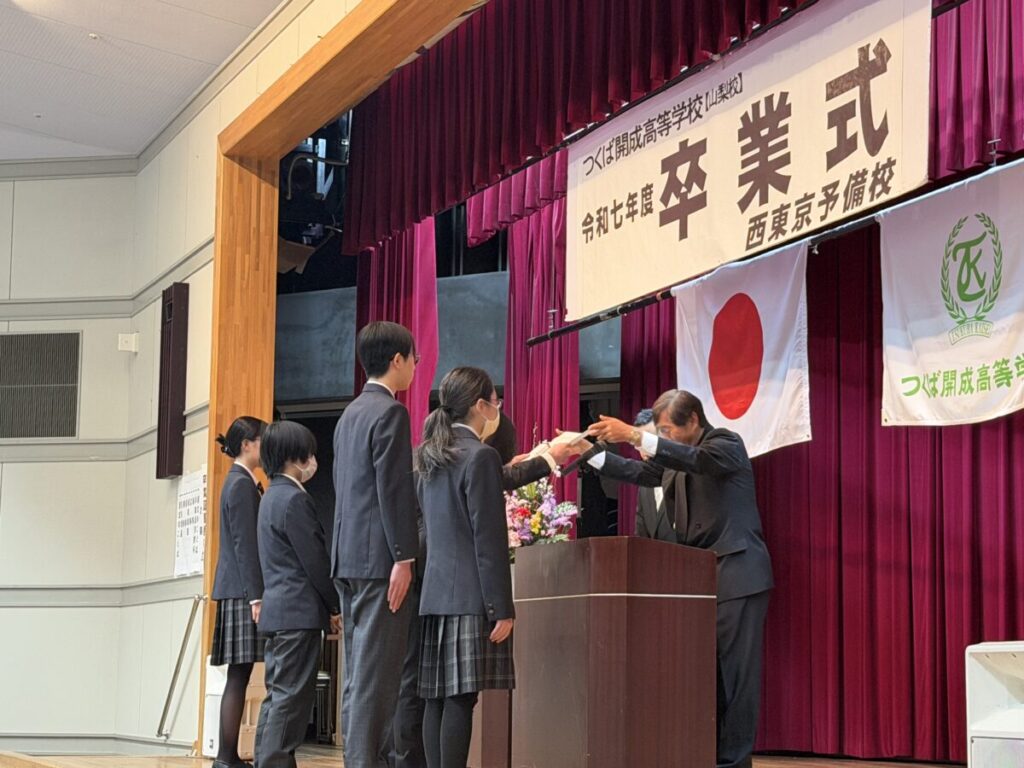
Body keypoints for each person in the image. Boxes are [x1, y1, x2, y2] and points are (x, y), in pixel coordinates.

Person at [586, 390, 773, 768]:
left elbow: (697, 460)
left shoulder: (724, 444)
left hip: (737, 575)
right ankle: (706, 755)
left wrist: (635, 435)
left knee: (736, 679)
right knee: (705, 676)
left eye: (669, 430)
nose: (664, 438)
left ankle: (733, 762)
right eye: (660, 432)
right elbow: (639, 472)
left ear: (694, 421)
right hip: (698, 581)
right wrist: (585, 452)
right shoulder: (676, 457)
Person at [414, 367, 515, 768]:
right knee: (460, 697)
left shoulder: (429, 454)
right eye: (495, 401)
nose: (497, 408)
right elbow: (488, 538)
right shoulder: (481, 456)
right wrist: (501, 606)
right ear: (479, 405)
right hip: (471, 596)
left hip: (434, 594)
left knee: (436, 696)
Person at [332, 321, 421, 768]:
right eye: (414, 358)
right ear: (397, 360)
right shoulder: (391, 413)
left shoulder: (349, 414)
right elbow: (394, 490)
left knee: (360, 674)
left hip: (348, 558)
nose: (416, 366)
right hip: (378, 563)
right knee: (376, 678)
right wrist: (404, 557)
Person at [254, 421, 341, 768]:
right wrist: (334, 604)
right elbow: (315, 561)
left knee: (277, 697)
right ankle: (274, 762)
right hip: (298, 613)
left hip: (278, 611)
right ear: (296, 456)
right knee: (291, 699)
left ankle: (267, 760)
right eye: (310, 453)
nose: (313, 460)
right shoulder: (294, 499)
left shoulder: (269, 497)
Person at [211, 416, 268, 768]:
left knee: (239, 673)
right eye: (262, 440)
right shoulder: (241, 484)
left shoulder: (238, 482)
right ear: (247, 444)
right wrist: (256, 596)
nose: (266, 447)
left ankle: (227, 756)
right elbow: (245, 545)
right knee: (239, 674)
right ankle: (226, 756)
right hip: (241, 590)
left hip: (235, 588)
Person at [630, 408, 675, 542]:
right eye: (638, 444)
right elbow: (641, 533)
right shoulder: (645, 484)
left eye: (648, 442)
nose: (644, 450)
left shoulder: (687, 475)